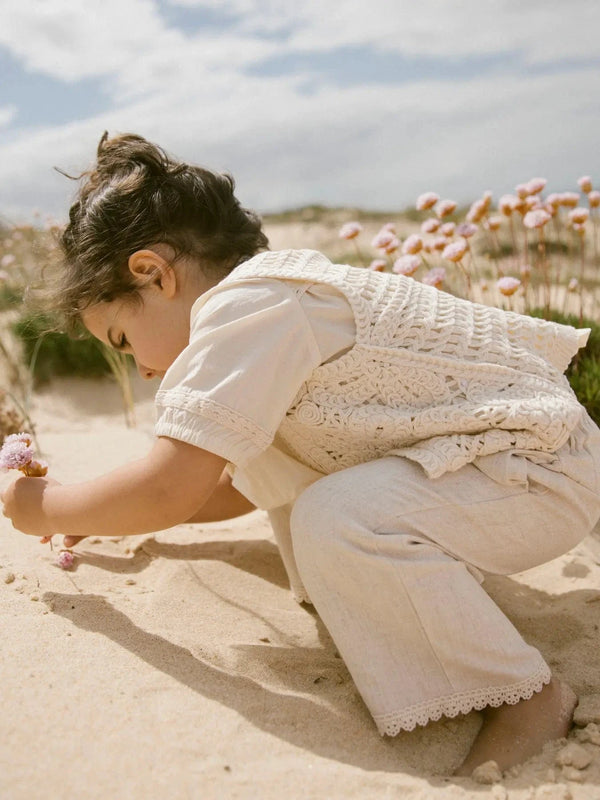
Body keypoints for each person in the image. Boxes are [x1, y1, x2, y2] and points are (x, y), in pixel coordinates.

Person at [2, 132, 600, 776]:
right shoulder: (266, 308)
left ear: (154, 273)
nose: (142, 370)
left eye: (123, 339)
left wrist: (45, 508)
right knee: (293, 482)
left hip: (537, 467)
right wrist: (98, 513)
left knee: (337, 517)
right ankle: (386, 596)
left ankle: (526, 698)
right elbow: (228, 486)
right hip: (497, 472)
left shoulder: (253, 307)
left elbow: (170, 487)